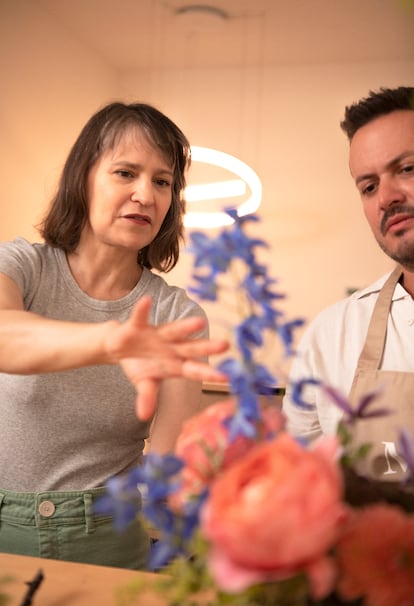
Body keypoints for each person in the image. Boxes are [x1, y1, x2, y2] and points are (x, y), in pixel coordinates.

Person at [0, 101, 229, 568]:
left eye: (162, 181)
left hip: (108, 535)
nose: (146, 194)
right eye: (125, 173)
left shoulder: (175, 314)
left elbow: (167, 461)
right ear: (82, 178)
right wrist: (110, 342)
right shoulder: (22, 266)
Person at [283, 86, 414, 482]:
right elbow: (301, 475)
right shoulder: (332, 334)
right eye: (369, 186)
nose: (387, 198)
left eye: (407, 168)